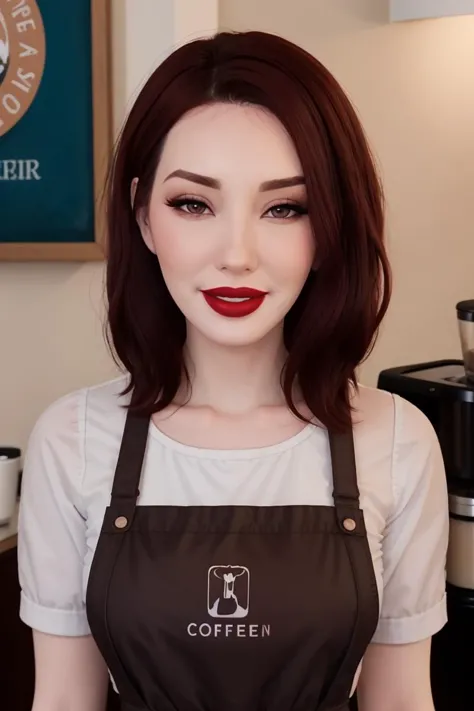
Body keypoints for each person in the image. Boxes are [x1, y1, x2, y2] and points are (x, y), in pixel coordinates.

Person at [17, 30, 449, 711]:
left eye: (285, 207)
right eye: (194, 203)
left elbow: (400, 701)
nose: (237, 254)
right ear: (143, 215)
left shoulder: (398, 442)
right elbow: (65, 701)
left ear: (330, 224)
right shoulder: (71, 441)